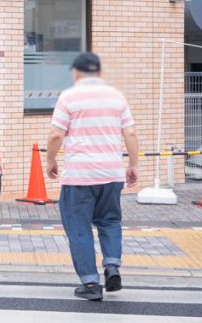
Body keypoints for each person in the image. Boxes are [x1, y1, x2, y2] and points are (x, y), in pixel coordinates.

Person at [46, 51, 139, 302]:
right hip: (112, 174)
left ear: (77, 72)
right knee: (109, 221)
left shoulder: (69, 97)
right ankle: (112, 265)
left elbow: (56, 134)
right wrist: (133, 165)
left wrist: (50, 160)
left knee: (79, 228)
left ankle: (90, 283)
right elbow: (130, 133)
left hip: (79, 176)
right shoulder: (116, 96)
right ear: (98, 71)